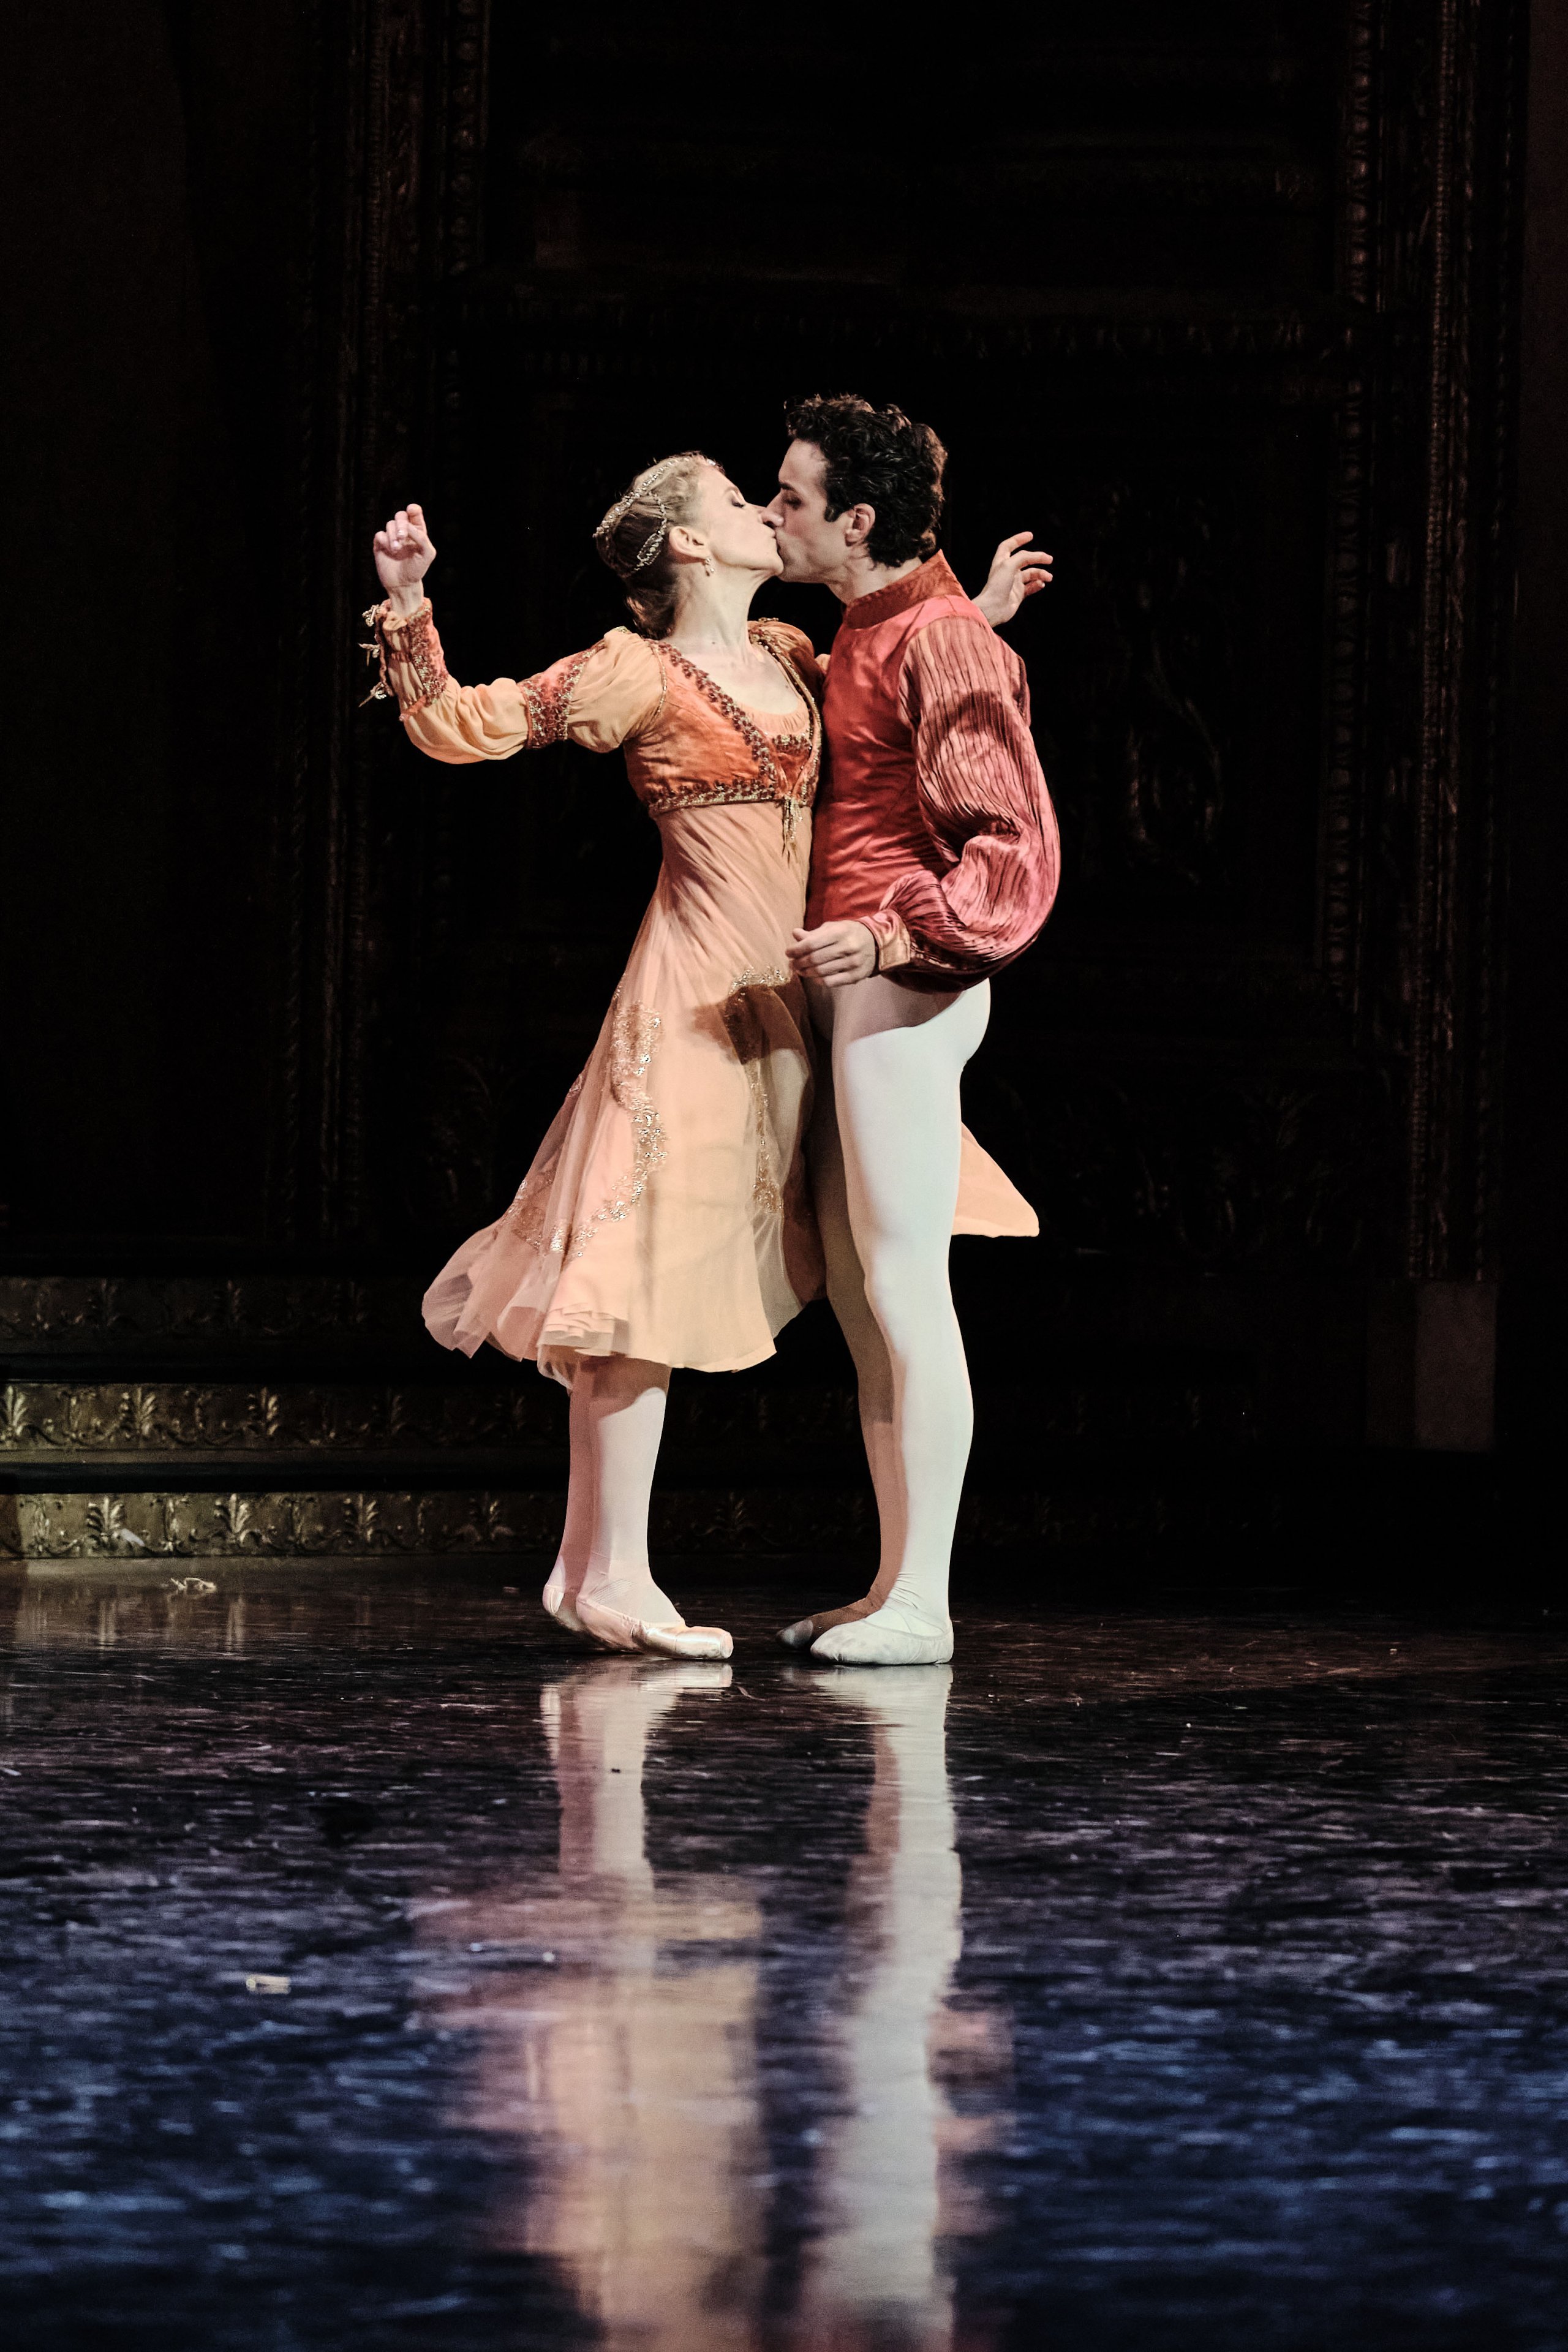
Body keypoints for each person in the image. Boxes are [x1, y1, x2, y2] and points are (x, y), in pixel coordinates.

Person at [364, 454, 1038, 1664]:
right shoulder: (636, 668)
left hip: (792, 1000)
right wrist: (409, 603)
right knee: (641, 1266)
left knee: (734, 1270)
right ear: (685, 544)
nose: (763, 513)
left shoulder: (787, 649)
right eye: (736, 501)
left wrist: (971, 617)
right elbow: (462, 723)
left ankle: (587, 1569)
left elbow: (889, 694)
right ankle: (613, 1570)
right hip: (691, 996)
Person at [764, 394, 1060, 1668]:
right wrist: (972, 615)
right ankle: (893, 1584)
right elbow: (913, 663)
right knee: (862, 1299)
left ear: (856, 519)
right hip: (861, 977)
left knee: (903, 1286)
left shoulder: (937, 639)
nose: (772, 514)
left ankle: (924, 1602)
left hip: (908, 979)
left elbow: (1014, 850)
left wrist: (891, 937)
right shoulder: (890, 624)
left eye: (790, 498)